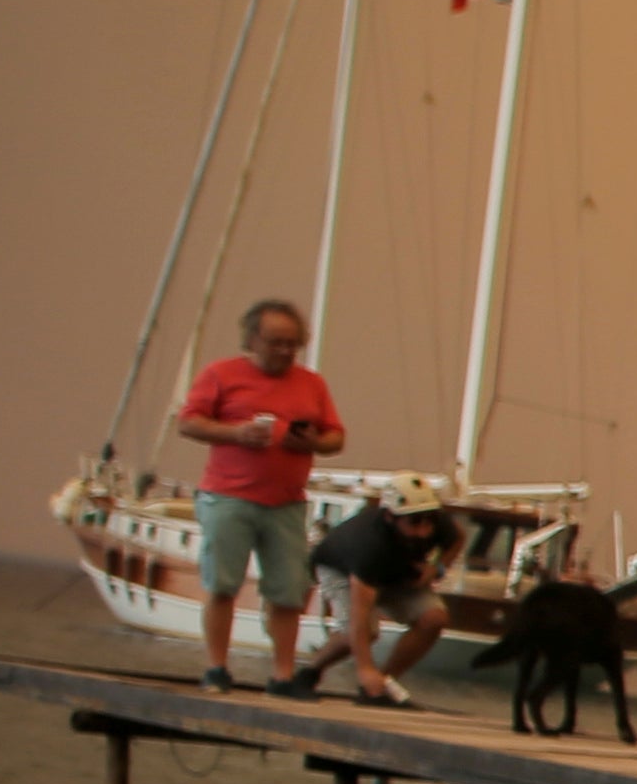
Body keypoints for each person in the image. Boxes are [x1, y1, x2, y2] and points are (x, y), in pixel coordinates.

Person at [173, 298, 344, 691]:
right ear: (252, 339)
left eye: (292, 344)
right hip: (228, 496)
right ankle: (216, 666)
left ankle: (282, 674)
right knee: (222, 584)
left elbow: (336, 436)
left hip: (286, 501)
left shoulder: (311, 383)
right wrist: (236, 433)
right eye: (276, 342)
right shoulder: (221, 374)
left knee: (288, 589)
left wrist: (313, 442)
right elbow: (188, 422)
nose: (285, 351)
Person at [285, 498, 465, 703]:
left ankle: (383, 684)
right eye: (414, 522)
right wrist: (365, 669)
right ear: (390, 517)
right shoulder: (369, 543)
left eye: (429, 522)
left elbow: (458, 537)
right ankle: (310, 672)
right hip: (342, 570)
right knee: (358, 632)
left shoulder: (436, 522)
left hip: (396, 570)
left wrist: (437, 567)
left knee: (433, 618)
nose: (423, 531)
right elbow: (360, 615)